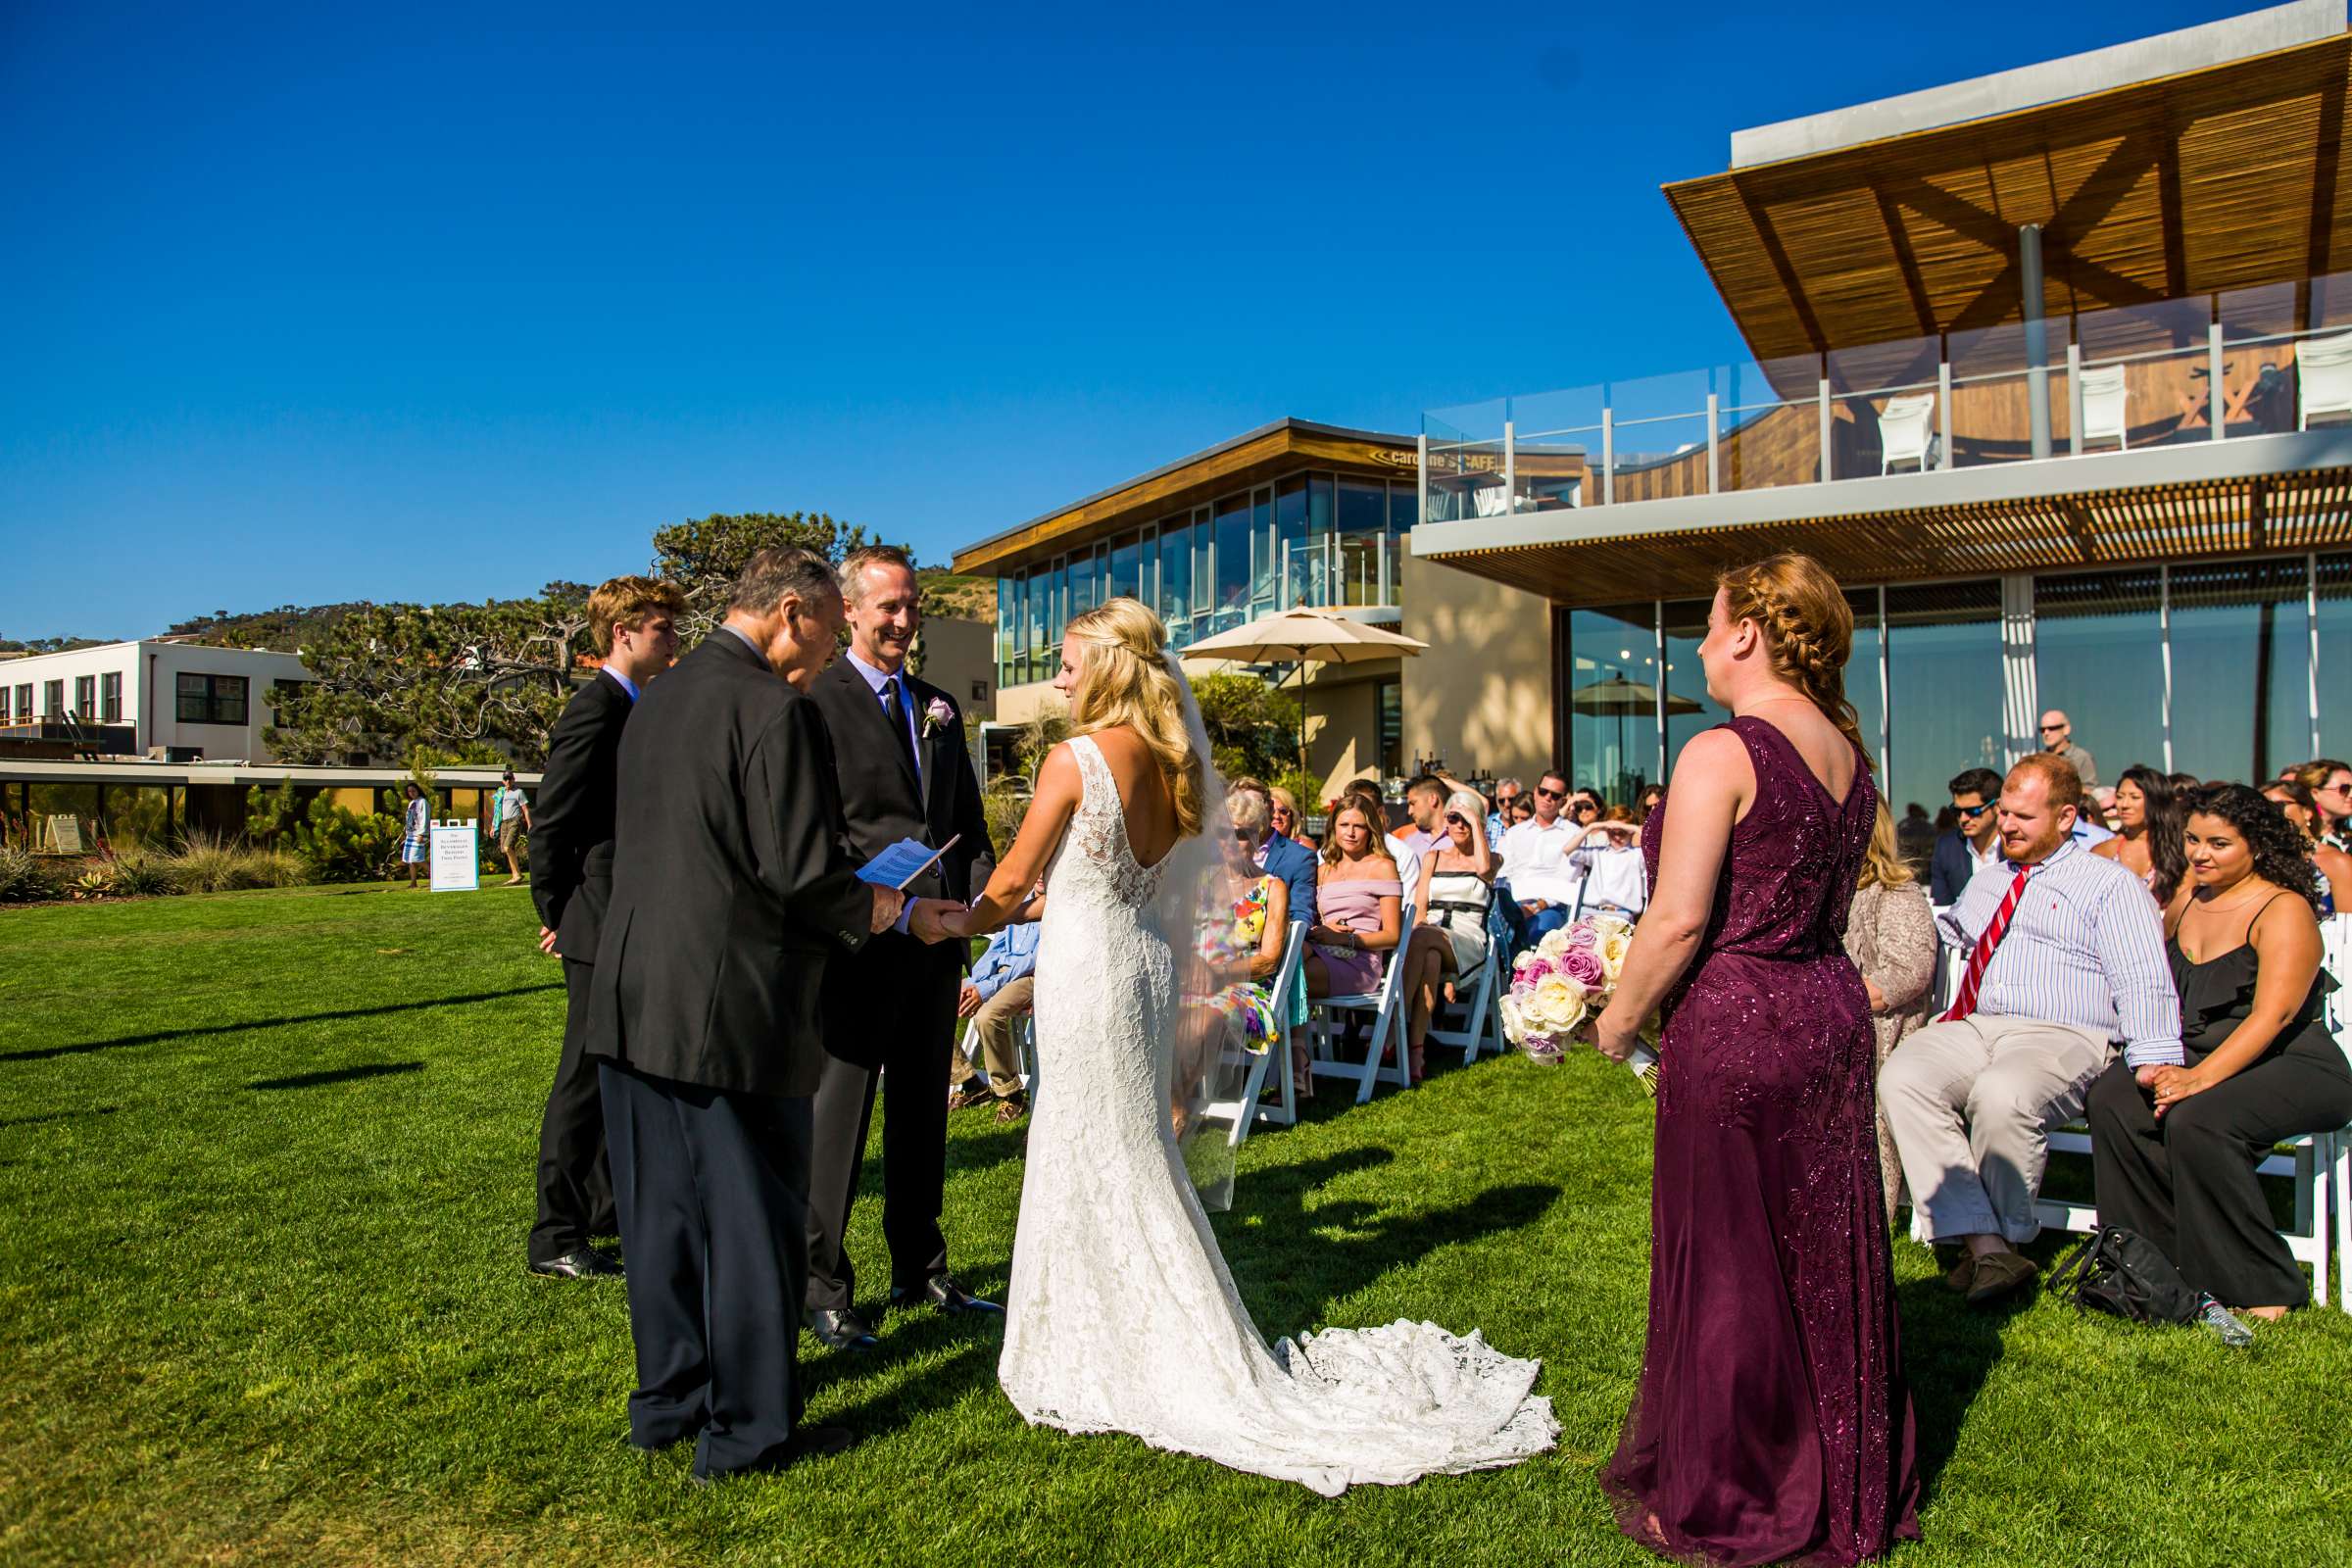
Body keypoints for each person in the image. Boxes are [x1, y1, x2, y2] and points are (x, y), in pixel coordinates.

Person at [925, 595, 1557, 1493]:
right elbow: (1113, 881)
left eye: (1068, 661)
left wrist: (946, 920)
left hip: (1089, 973)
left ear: (1104, 667)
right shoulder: (1167, 758)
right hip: (1139, 966)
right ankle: (1130, 1314)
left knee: (1082, 1141)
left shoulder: (1073, 759)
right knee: (1127, 1141)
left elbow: (1018, 877)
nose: (1056, 678)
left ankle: (1101, 1334)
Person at [1592, 552, 1919, 1565]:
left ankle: (1737, 1488)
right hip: (1827, 1017)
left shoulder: (1722, 751)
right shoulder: (1847, 757)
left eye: (1708, 621)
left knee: (1730, 1265)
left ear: (1747, 634)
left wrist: (1614, 1020)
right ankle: (1834, 1466)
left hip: (1737, 1022)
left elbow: (1680, 918)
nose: (1695, 641)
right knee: (1822, 1256)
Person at [584, 546, 902, 1482]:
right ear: (794, 612)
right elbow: (803, 871)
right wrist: (881, 907)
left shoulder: (658, 696)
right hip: (731, 1007)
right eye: (831, 632)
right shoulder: (775, 709)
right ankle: (750, 1432)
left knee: (659, 1221)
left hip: (635, 994)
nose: (827, 654)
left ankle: (667, 1405)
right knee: (756, 1224)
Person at [1880, 755, 2180, 1305]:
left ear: (2066, 817)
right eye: (2006, 814)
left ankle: (1997, 1245)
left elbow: (2143, 977)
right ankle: (1990, 1246)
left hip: (2065, 1033)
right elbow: (1953, 938)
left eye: (2024, 817)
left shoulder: (2110, 886)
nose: (2008, 826)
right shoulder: (1990, 882)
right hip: (1979, 1024)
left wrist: (2155, 1055)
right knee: (1904, 1075)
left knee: (2004, 1095)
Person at [804, 545, 1000, 1352]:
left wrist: (991, 898)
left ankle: (919, 1267)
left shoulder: (940, 707)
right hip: (856, 947)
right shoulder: (815, 700)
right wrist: (886, 911)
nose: (903, 619)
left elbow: (968, 827)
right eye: (887, 605)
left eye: (912, 604)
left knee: (924, 1117)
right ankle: (821, 1288)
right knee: (837, 1124)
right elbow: (812, 836)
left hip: (936, 948)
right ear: (848, 610)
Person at [2086, 783, 2352, 1319]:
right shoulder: (2188, 899)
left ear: (2255, 844)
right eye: (2192, 839)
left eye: (2218, 843)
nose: (2200, 854)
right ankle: (2152, 1263)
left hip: (2292, 1062)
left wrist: (2197, 1079)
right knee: (2112, 1097)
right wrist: (2155, 1057)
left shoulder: (2284, 908)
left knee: (2199, 1120)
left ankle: (2263, 1284)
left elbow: (2271, 1017)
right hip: (2197, 1054)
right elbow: (2152, 984)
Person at [525, 573, 683, 1281]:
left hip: (631, 914)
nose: (673, 637)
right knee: (585, 1077)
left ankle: (602, 1206)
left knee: (623, 1066)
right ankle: (555, 1233)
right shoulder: (596, 709)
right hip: (597, 918)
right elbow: (553, 822)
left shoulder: (642, 706)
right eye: (661, 627)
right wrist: (559, 915)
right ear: (622, 633)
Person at [1845, 801, 1940, 1226]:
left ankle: (1859, 1217)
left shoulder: (1895, 892)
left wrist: (1829, 1002)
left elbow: (1908, 973)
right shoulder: (1821, 889)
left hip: (1878, 1025)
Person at [1302, 800, 1404, 1097]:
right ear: (1333, 827)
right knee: (1289, 969)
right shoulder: (1324, 871)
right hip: (1320, 951)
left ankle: (1291, 1065)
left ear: (1371, 829)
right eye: (1344, 825)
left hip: (1359, 961)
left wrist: (1346, 939)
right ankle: (1294, 1065)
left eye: (1359, 825)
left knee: (1285, 982)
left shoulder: (1382, 867)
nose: (1351, 832)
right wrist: (1323, 933)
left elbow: (1393, 935)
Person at [1398, 790, 1494, 1082]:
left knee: (1424, 938)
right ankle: (1416, 1051)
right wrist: (1422, 927)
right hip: (1430, 935)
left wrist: (1476, 823)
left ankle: (1393, 1024)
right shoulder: (1433, 857)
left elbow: (1485, 870)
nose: (1460, 825)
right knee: (1427, 956)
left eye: (1467, 819)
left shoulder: (1492, 859)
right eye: (1454, 818)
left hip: (1468, 938)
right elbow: (1420, 906)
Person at [1497, 770, 1635, 951]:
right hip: (1512, 904)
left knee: (1536, 937)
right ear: (1535, 792)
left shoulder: (1573, 834)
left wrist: (1536, 907)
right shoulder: (1515, 833)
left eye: (1554, 795)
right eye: (1543, 791)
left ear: (1563, 801)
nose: (1547, 798)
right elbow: (1503, 873)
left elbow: (1567, 880)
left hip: (1550, 908)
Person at [949, 892, 1041, 1123]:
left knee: (987, 1016)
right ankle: (970, 1083)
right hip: (1001, 975)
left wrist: (986, 989)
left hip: (1032, 976)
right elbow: (996, 950)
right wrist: (972, 984)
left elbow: (1031, 960)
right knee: (939, 1001)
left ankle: (1011, 1093)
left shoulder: (1053, 903)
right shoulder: (1020, 900)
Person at [1231, 775, 1319, 930]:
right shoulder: (1220, 853)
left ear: (1270, 808)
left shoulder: (1299, 858)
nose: (1247, 812)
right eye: (1240, 804)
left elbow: (1300, 918)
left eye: (1255, 805)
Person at [2094, 763, 2187, 905]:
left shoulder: (2180, 849)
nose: (2124, 804)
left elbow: (2185, 905)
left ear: (2156, 801)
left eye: (2134, 797)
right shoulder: (2103, 852)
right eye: (2119, 797)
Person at [2263, 778, 2352, 913]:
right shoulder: (2260, 860)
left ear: (2307, 812)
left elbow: (2348, 925)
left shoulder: (2337, 861)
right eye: (2264, 807)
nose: (2272, 812)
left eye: (2279, 804)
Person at [1931, 766, 2004, 906]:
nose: (1963, 818)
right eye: (1957, 811)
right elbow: (1942, 907)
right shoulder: (1946, 848)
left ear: (1997, 807)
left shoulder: (2017, 845)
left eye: (1973, 811)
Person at [488, 768, 532, 886]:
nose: (507, 781)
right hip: (503, 823)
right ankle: (516, 874)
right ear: (503, 781)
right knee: (506, 849)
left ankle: (516, 875)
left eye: (509, 779)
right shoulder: (501, 793)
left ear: (513, 779)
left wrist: (529, 825)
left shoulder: (519, 792)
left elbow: (526, 810)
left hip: (515, 821)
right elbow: (497, 811)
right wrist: (493, 827)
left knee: (508, 847)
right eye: (505, 779)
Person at [2038, 709, 2097, 790]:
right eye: (2042, 730)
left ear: (2066, 729)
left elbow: (2090, 790)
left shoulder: (2082, 757)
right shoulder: (2038, 759)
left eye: (2051, 728)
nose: (2046, 733)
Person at [397, 782, 429, 890]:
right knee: (411, 860)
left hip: (419, 834)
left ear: (418, 790)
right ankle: (413, 883)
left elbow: (425, 818)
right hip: (410, 835)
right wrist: (406, 833)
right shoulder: (411, 803)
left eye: (413, 790)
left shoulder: (423, 802)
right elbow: (409, 820)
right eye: (409, 791)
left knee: (417, 859)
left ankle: (437, 876)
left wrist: (422, 833)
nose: (411, 793)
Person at [1267, 785, 1312, 852]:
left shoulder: (1304, 846)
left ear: (1292, 816)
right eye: (1271, 811)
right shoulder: (1254, 846)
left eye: (1283, 811)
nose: (1276, 816)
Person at [1487, 777, 1523, 845]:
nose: (1506, 804)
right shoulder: (1487, 824)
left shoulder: (1528, 824)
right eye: (1501, 800)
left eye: (1511, 799)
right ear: (1496, 801)